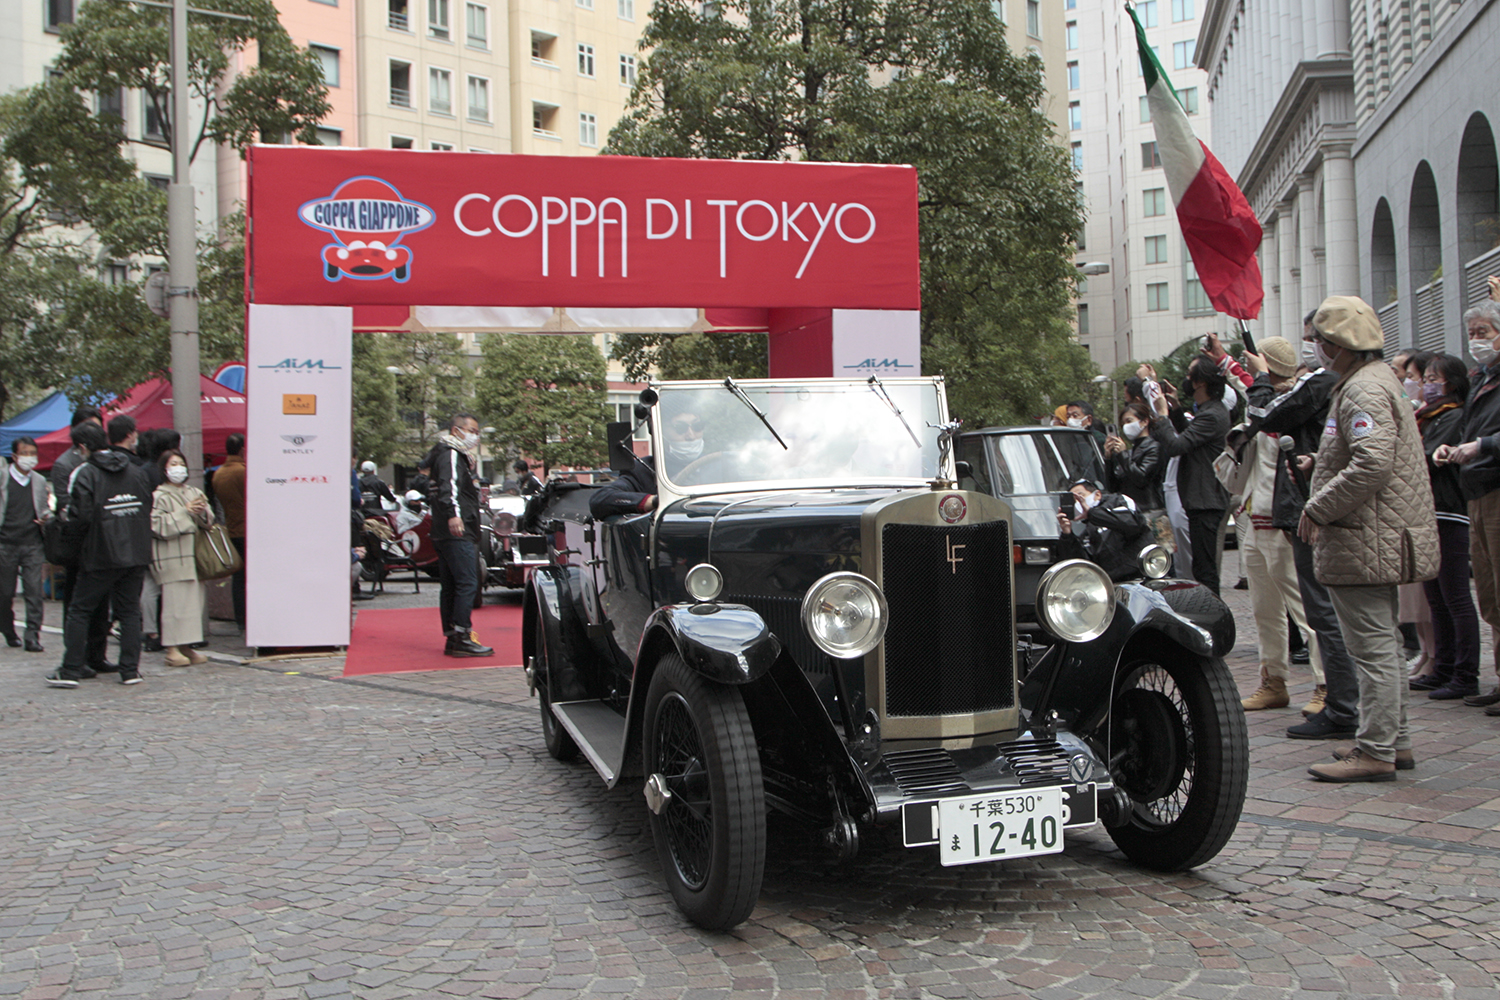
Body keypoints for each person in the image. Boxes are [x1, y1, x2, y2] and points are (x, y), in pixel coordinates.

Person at [1300, 295, 1438, 782]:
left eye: (1319, 340)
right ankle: (1393, 741)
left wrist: (1319, 505)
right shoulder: (1377, 380)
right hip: (1378, 533)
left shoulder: (1362, 388)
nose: (1315, 348)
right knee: (1385, 645)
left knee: (1373, 648)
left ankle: (1376, 748)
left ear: (1339, 344)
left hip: (1364, 536)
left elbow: (1372, 462)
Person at [1231, 337, 1326, 713]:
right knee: (1264, 609)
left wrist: (1259, 379)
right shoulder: (1265, 397)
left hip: (1286, 522)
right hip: (1255, 517)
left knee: (1305, 610)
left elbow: (1262, 409)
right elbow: (1249, 393)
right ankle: (1273, 680)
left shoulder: (1297, 403)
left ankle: (1326, 683)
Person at [46, 422, 156, 688]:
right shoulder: (135, 470)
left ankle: (71, 669)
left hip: (100, 553)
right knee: (129, 612)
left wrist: (70, 544)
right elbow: (147, 506)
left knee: (80, 610)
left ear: (82, 447)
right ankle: (130, 670)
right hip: (136, 551)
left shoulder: (86, 473)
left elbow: (80, 517)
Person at [1433, 280, 1500, 713]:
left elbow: (1486, 437)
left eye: (1484, 332)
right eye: (1472, 333)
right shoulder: (1481, 379)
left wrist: (1483, 446)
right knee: (1489, 594)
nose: (1477, 340)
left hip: (1494, 487)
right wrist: (1455, 448)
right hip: (1475, 490)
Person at [1409, 354, 1481, 701]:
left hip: (1449, 512)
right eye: (1425, 379)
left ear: (1451, 382)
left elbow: (1423, 458)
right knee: (1435, 598)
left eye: (1433, 379)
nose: (1427, 385)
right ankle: (1443, 666)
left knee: (1455, 596)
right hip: (1427, 512)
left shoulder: (1453, 416)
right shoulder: (1426, 417)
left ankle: (1465, 674)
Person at [1147, 355, 1231, 594]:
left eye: (1189, 374)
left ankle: (1212, 611)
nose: (1185, 379)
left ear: (1200, 382)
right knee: (1202, 564)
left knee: (1205, 568)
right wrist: (1176, 409)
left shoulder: (1212, 414)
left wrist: (1163, 416)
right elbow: (1190, 437)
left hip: (1206, 500)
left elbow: (1177, 446)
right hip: (1201, 499)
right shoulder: (1210, 411)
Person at [428, 413, 493, 657]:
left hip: (444, 530)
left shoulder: (447, 454)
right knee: (467, 582)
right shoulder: (452, 454)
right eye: (472, 431)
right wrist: (454, 515)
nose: (476, 436)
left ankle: (453, 636)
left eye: (477, 432)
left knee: (451, 585)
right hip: (457, 529)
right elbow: (450, 487)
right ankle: (463, 635)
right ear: (456, 431)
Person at [150, 449, 213, 667]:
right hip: (172, 557)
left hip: (195, 556)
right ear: (164, 469)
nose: (179, 468)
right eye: (173, 464)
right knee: (175, 605)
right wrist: (185, 512)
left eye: (181, 464)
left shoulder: (194, 492)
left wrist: (201, 510)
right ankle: (171, 648)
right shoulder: (159, 496)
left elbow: (208, 521)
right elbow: (157, 525)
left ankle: (186, 646)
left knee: (192, 605)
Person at [0, 437, 52, 652]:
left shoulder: (39, 481)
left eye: (33, 453)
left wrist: (46, 518)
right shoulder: (3, 477)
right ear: (14, 456)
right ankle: (7, 628)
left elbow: (44, 508)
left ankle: (32, 635)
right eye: (25, 453)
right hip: (6, 543)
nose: (29, 458)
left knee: (34, 591)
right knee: (5, 593)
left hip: (32, 543)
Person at [1055, 478, 1150, 581]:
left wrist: (1092, 513)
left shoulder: (1118, 501)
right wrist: (1067, 534)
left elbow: (1131, 523)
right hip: (1110, 581)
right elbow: (1082, 562)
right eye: (1074, 500)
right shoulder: (1085, 526)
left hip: (1140, 574)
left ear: (1097, 494)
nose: (1079, 501)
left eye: (1081, 496)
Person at [213, 434, 247, 635]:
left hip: (231, 529)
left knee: (238, 577)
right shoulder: (243, 472)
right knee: (248, 577)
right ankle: (248, 618)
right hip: (247, 530)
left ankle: (241, 620)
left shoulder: (219, 474)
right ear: (242, 449)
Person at [1105, 402, 1163, 512]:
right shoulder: (1129, 452)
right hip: (1129, 509)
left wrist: (1122, 454)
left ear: (1144, 422)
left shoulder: (1154, 447)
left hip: (1148, 509)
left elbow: (1141, 479)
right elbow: (1113, 487)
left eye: (1129, 421)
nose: (1126, 426)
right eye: (1123, 423)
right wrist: (1109, 459)